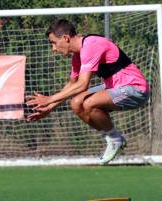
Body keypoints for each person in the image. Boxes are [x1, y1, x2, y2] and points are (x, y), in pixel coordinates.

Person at [26, 19, 149, 164]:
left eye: (53, 43)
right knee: (76, 103)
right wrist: (49, 107)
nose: (53, 48)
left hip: (135, 89)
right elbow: (72, 84)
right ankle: (113, 138)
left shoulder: (91, 45)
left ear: (65, 38)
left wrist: (50, 98)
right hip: (115, 87)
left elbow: (82, 85)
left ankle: (115, 140)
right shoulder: (77, 56)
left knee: (89, 103)